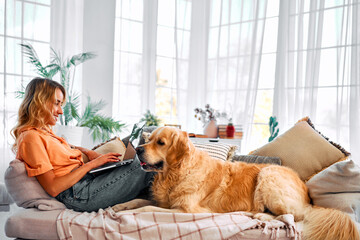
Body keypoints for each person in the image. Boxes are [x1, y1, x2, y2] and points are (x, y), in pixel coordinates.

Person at [11, 77, 154, 212]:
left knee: (147, 132)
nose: (60, 111)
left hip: (88, 180)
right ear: (40, 102)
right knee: (148, 159)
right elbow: (53, 187)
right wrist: (93, 164)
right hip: (79, 194)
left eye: (61, 104)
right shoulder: (30, 138)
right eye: (56, 103)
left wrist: (89, 153)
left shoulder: (45, 132)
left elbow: (68, 148)